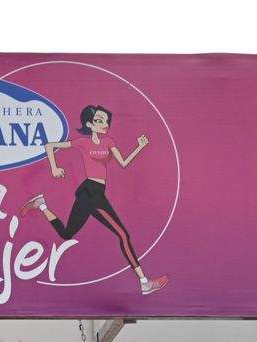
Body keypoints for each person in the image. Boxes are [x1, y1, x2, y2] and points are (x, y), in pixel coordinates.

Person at [18, 104, 168, 296]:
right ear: (89, 124)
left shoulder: (109, 142)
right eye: (99, 120)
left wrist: (139, 147)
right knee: (123, 235)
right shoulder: (82, 142)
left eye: (106, 121)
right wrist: (54, 168)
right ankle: (145, 283)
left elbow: (123, 163)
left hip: (95, 193)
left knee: (66, 234)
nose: (104, 124)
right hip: (90, 192)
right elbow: (49, 146)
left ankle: (41, 205)